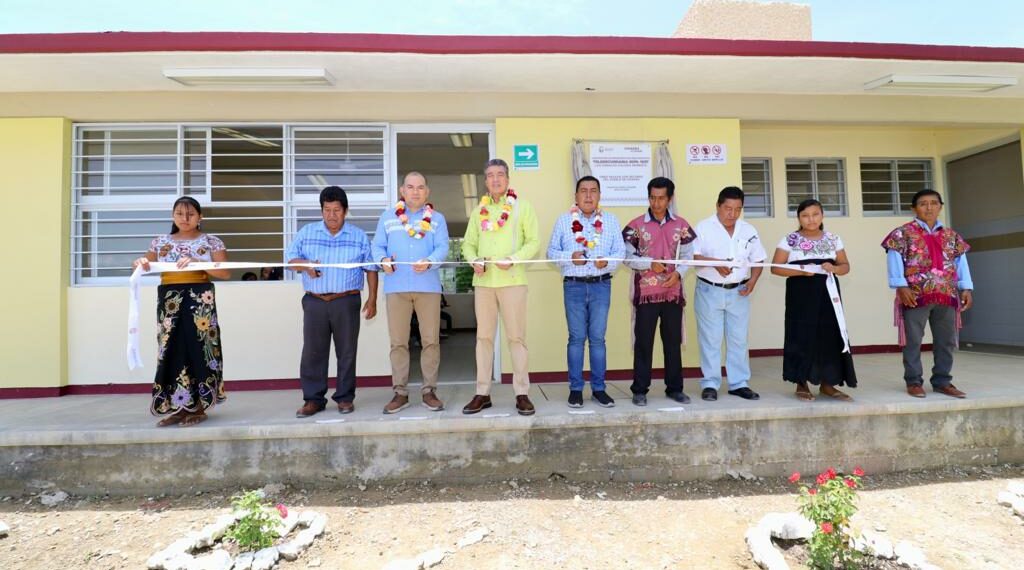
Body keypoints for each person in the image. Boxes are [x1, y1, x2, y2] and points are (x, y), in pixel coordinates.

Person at [131, 196, 230, 427]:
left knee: (199, 346)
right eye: (179, 214)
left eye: (191, 214)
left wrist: (198, 262)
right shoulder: (159, 242)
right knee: (170, 348)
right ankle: (178, 406)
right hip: (169, 299)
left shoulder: (212, 242)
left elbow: (225, 273)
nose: (185, 219)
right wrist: (140, 262)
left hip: (199, 299)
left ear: (200, 217)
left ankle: (199, 406)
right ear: (172, 216)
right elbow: (146, 265)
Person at [287, 186, 378, 417]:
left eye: (336, 210)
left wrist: (373, 298)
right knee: (313, 352)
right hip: (314, 301)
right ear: (321, 210)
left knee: (346, 352)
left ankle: (345, 398)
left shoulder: (358, 236)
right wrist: (306, 265)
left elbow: (370, 268)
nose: (331, 215)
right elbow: (290, 259)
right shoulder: (307, 232)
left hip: (346, 301)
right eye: (327, 210)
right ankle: (313, 399)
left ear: (345, 211)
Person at [461, 158, 540, 416]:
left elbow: (534, 242)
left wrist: (514, 259)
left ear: (507, 179)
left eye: (500, 175)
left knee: (516, 338)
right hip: (484, 283)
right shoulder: (477, 211)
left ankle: (522, 393)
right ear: (485, 181)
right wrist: (474, 261)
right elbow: (468, 244)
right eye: (490, 175)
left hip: (513, 282)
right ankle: (482, 393)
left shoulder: (522, 207)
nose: (495, 179)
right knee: (483, 338)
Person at [882, 189, 973, 399]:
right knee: (913, 340)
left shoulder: (952, 236)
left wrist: (966, 288)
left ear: (940, 206)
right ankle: (913, 381)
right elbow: (894, 260)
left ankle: (942, 381)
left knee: (946, 340)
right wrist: (900, 286)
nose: (929, 207)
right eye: (923, 203)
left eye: (934, 203)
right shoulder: (902, 233)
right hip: (915, 295)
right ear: (914, 208)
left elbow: (961, 264)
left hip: (947, 295)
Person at [372, 172, 449, 414]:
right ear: (402, 191)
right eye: (410, 187)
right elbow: (377, 246)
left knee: (430, 341)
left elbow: (443, 247)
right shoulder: (387, 218)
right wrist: (382, 259)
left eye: (420, 187)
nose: (415, 191)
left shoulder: (437, 219)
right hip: (396, 287)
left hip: (427, 287)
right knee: (398, 342)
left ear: (427, 192)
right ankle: (400, 393)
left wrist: (430, 260)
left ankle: (429, 391)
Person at [548, 175, 625, 408]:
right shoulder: (563, 221)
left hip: (602, 285)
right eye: (584, 191)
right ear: (576, 196)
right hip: (574, 285)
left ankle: (599, 389)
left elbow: (620, 252)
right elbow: (551, 252)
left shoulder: (611, 221)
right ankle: (575, 389)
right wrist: (569, 258)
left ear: (600, 196)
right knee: (576, 338)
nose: (589, 195)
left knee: (598, 339)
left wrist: (608, 263)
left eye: (593, 191)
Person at [770, 199, 857, 401]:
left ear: (822, 215)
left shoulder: (833, 239)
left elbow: (845, 266)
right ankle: (801, 382)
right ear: (799, 218)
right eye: (805, 215)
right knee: (801, 334)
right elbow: (775, 268)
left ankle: (828, 383)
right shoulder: (790, 240)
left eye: (815, 214)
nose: (811, 219)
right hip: (800, 294)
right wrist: (801, 271)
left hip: (829, 292)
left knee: (830, 334)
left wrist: (834, 268)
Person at [622, 177, 697, 406]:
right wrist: (648, 263)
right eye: (653, 198)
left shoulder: (681, 225)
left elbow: (688, 257)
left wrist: (679, 274)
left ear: (670, 199)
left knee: (672, 342)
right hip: (646, 293)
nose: (656, 203)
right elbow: (626, 257)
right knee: (644, 342)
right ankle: (639, 389)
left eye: (661, 198)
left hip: (672, 292)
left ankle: (675, 388)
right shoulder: (635, 225)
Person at [693, 186, 767, 402]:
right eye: (727, 208)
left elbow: (759, 259)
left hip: (739, 292)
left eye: (737, 209)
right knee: (710, 339)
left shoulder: (748, 230)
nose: (732, 214)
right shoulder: (704, 227)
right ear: (718, 206)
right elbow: (693, 257)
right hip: (709, 290)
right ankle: (710, 384)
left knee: (738, 340)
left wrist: (753, 281)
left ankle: (739, 383)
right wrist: (715, 264)